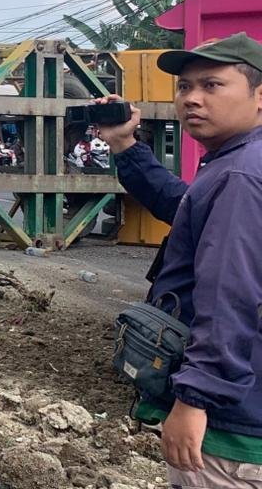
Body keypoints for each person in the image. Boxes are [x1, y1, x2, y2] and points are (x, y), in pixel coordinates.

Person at [96, 33, 262, 485]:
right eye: (185, 87)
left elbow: (229, 296)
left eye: (212, 85)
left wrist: (195, 399)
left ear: (259, 94)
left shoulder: (241, 175)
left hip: (231, 430)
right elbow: (184, 204)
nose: (192, 98)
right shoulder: (236, 163)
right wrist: (125, 145)